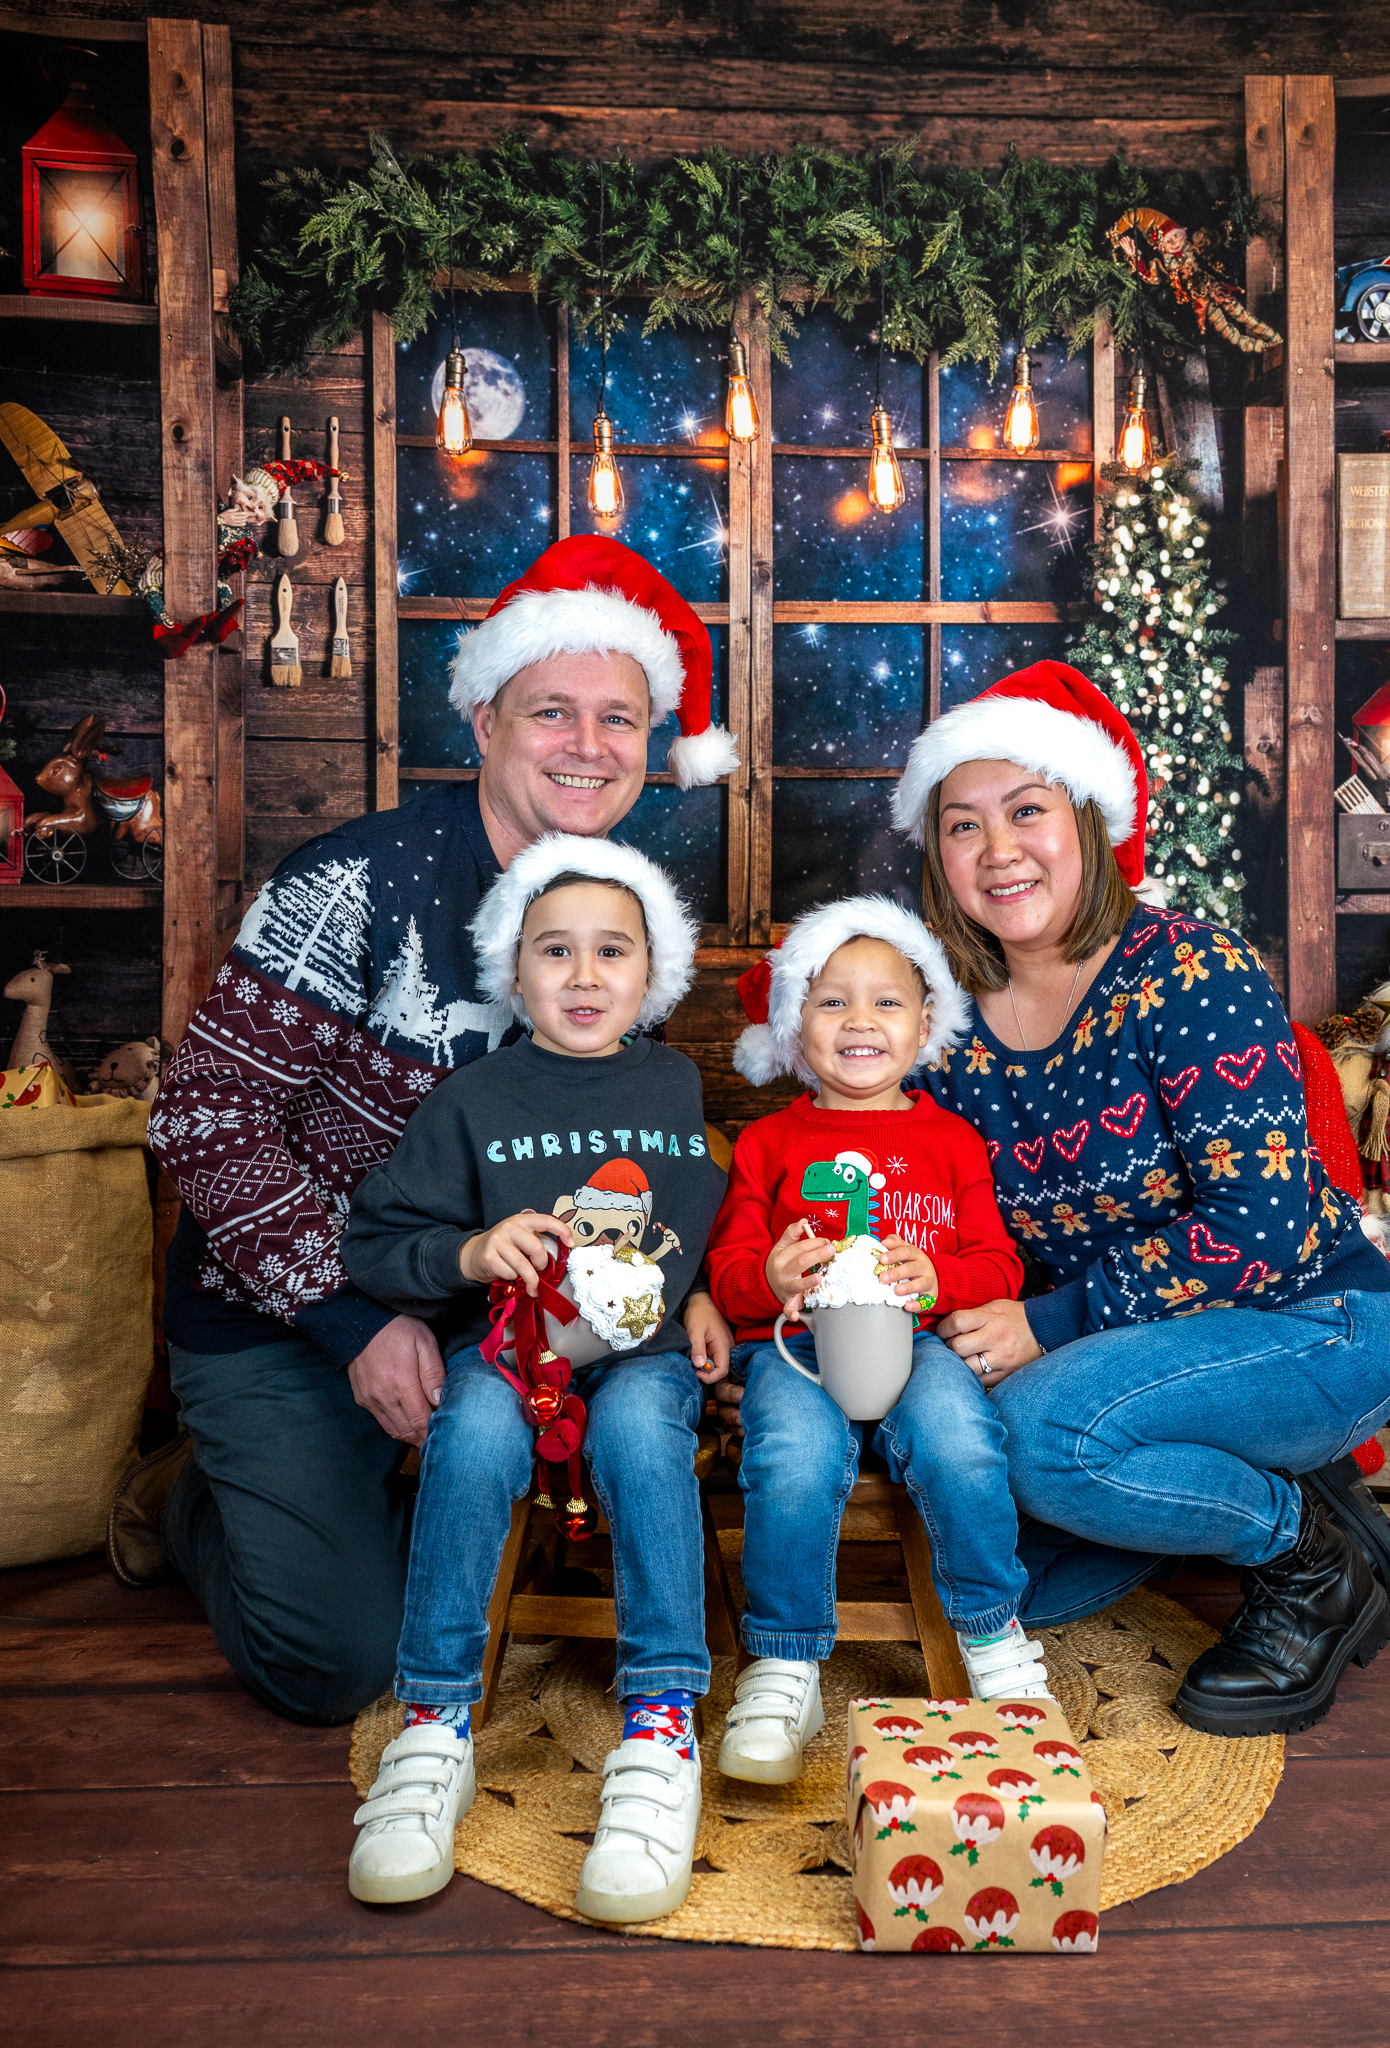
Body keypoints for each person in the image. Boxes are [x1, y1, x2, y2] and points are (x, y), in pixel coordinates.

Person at [122, 537, 738, 1725]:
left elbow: (650, 1145)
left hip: (485, 1319)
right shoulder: (356, 884)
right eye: (550, 711)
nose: (588, 745)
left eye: (619, 719)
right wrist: (351, 1318)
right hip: (288, 1316)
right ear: (482, 720)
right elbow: (204, 1115)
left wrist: (693, 1284)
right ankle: (187, 1495)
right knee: (338, 1661)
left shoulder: (609, 916)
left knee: (513, 1532)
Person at [889, 660, 1390, 1738]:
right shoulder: (942, 1023)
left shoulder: (1186, 971)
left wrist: (1046, 1321)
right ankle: (1295, 1496)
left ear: (1084, 819)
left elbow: (1261, 1228)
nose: (997, 850)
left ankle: (1307, 1557)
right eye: (962, 824)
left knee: (1041, 1439)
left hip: (1311, 1321)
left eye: (1026, 810)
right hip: (1120, 1361)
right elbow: (940, 1210)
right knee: (991, 1580)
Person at [340, 837, 730, 1919]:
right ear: (513, 972)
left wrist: (703, 1294)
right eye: (554, 951)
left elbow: (699, 1217)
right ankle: (434, 1719)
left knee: (644, 1440)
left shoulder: (673, 1079)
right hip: (508, 1347)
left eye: (613, 951)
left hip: (643, 1353)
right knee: (470, 1436)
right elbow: (375, 1239)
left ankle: (659, 1719)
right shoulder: (473, 1098)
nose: (585, 974)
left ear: (654, 972)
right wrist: (467, 1253)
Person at [704, 896, 1040, 1785]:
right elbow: (731, 1269)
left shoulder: (954, 1140)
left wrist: (941, 1277)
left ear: (926, 1025)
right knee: (792, 1457)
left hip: (919, 1342)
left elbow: (996, 1264)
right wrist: (771, 1279)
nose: (860, 1021)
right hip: (796, 1349)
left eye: (886, 1002)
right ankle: (783, 1663)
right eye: (831, 1001)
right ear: (791, 1024)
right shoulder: (769, 1143)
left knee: (963, 1441)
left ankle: (995, 1638)